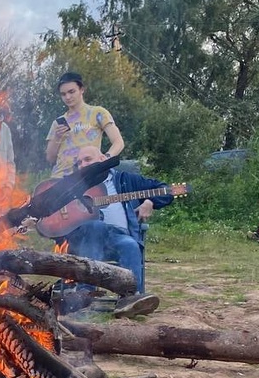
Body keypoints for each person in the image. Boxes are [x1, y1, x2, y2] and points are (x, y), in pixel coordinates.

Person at [60, 146, 174, 317]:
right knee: (95, 226)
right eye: (79, 162)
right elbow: (52, 209)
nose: (83, 164)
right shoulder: (73, 185)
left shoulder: (124, 180)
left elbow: (167, 190)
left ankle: (129, 300)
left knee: (130, 245)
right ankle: (85, 294)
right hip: (85, 240)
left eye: (88, 159)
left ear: (103, 159)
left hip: (118, 237)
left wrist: (149, 201)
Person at [45, 72, 125, 178]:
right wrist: (57, 136)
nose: (68, 97)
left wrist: (105, 158)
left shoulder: (98, 113)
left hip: (87, 176)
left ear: (81, 90)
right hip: (60, 178)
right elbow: (50, 158)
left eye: (71, 92)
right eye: (63, 94)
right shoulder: (58, 122)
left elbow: (118, 142)